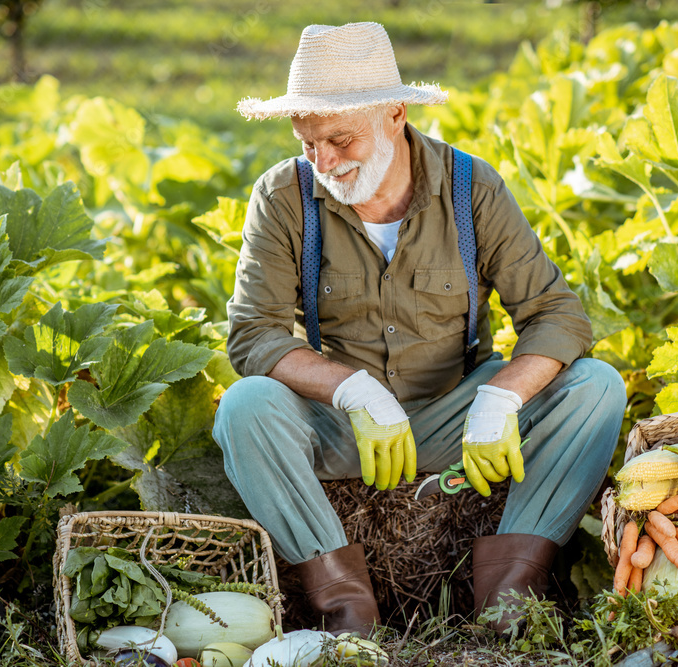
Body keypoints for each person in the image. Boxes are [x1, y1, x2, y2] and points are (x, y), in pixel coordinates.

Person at [213, 21, 625, 636]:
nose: (323, 161)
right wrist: (353, 390)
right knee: (245, 406)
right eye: (308, 143)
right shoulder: (283, 196)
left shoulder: (471, 188)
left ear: (396, 115)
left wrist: (501, 397)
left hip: (454, 414)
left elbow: (556, 314)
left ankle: (512, 600)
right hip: (344, 426)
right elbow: (254, 333)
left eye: (340, 139)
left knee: (596, 388)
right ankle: (346, 613)